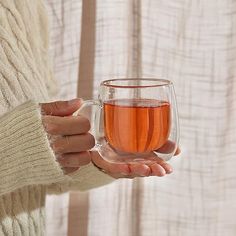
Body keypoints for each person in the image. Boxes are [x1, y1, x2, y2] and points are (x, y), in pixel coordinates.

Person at [0, 1, 179, 235]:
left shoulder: (24, 6)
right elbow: (16, 154)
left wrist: (88, 160)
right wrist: (13, 150)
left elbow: (27, 181)